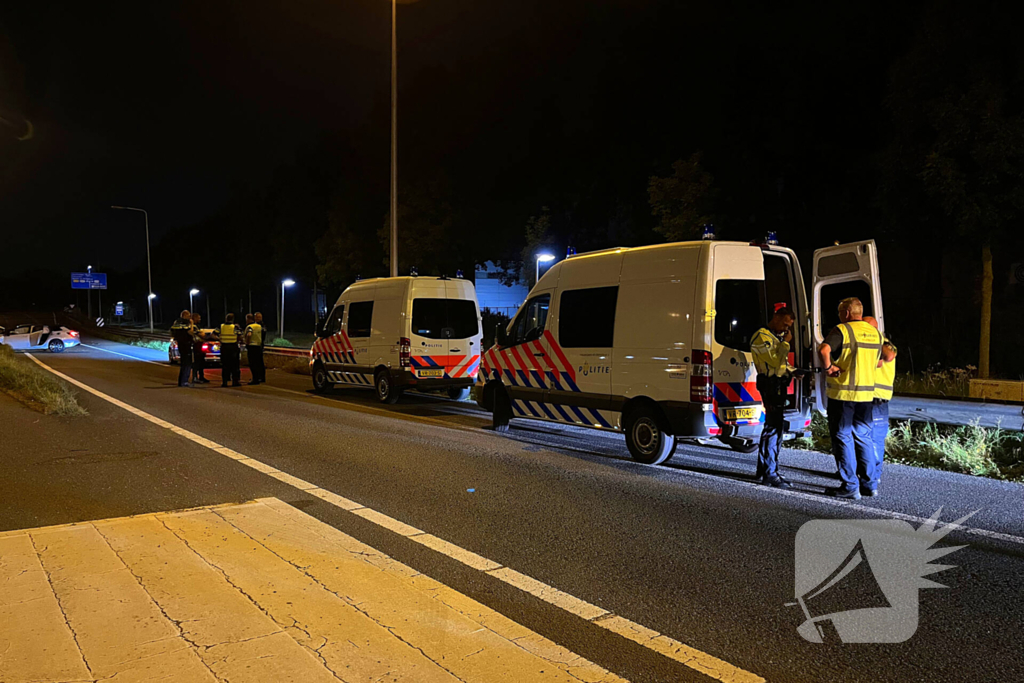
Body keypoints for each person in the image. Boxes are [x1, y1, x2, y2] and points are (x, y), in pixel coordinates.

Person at [817, 297, 883, 499]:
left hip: (843, 394)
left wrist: (829, 368)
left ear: (846, 313)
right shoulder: (875, 333)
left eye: (840, 313)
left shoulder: (843, 330)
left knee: (842, 437)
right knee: (863, 437)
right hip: (866, 395)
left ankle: (850, 486)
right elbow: (878, 362)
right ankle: (869, 485)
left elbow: (823, 349)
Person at [750, 307, 797, 489]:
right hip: (770, 386)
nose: (786, 329)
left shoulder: (775, 337)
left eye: (788, 326)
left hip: (776, 385)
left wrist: (794, 371)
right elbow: (775, 361)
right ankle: (770, 473)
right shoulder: (762, 336)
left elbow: (782, 364)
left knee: (773, 428)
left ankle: (765, 471)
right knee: (773, 429)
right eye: (785, 324)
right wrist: (786, 343)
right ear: (775, 317)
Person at [863, 315, 897, 494]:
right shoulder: (881, 344)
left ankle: (871, 479)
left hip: (875, 399)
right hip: (875, 399)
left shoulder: (881, 344)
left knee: (871, 440)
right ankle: (869, 475)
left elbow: (888, 356)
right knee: (870, 439)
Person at [170, 310, 195, 388]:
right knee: (187, 364)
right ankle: (184, 381)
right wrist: (192, 324)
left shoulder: (176, 322)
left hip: (180, 344)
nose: (190, 317)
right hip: (186, 344)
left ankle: (181, 381)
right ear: (185, 316)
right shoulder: (187, 322)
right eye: (189, 316)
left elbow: (172, 332)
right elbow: (190, 332)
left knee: (183, 363)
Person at [219, 313, 242, 387]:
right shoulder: (235, 327)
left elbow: (213, 335)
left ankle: (225, 382)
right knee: (235, 365)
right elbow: (240, 336)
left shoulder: (221, 326)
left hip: (224, 347)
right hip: (233, 347)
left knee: (225, 365)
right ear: (233, 319)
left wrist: (220, 339)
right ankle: (235, 381)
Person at [244, 313, 265, 385]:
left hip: (252, 346)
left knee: (253, 363)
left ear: (248, 319)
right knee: (259, 362)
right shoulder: (259, 326)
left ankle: (255, 379)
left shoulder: (250, 326)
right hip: (258, 346)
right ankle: (261, 377)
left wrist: (247, 342)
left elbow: (249, 334)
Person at [190, 312, 209, 384]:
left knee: (201, 362)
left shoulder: (196, 326)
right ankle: (195, 377)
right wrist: (204, 336)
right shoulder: (194, 327)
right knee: (197, 362)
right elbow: (201, 335)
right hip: (197, 345)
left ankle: (201, 376)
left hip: (199, 345)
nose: (200, 319)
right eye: (198, 318)